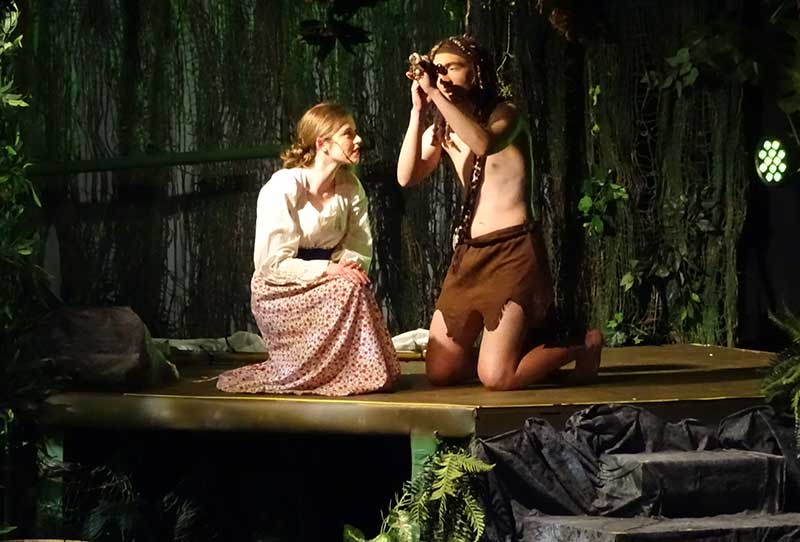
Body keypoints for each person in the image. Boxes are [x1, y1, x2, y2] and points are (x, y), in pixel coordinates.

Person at [397, 35, 602, 391]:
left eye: (452, 68)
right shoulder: (443, 127)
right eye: (437, 70)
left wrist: (435, 96)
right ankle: (515, 352)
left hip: (512, 252)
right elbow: (406, 176)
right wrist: (418, 111)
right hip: (469, 254)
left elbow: (483, 143)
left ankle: (583, 342)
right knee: (441, 373)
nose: (442, 77)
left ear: (476, 72)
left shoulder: (506, 114)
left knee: (497, 378)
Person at [217, 102, 400, 396]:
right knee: (346, 288)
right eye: (348, 133)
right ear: (323, 144)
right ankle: (314, 373)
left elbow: (358, 243)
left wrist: (347, 265)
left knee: (353, 285)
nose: (358, 140)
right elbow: (271, 263)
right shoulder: (283, 187)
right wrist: (328, 269)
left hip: (328, 279)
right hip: (280, 289)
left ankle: (353, 372)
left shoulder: (350, 186)